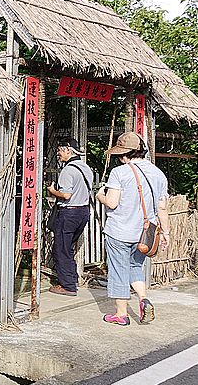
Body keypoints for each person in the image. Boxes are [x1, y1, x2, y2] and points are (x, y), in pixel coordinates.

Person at [96, 132, 170, 326]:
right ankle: (143, 298)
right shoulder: (158, 174)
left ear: (124, 154)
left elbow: (112, 203)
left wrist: (99, 196)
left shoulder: (119, 172)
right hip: (144, 234)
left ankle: (121, 314)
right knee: (135, 267)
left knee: (119, 271)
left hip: (119, 231)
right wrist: (166, 233)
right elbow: (162, 208)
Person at [47, 138, 94, 296]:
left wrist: (52, 191)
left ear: (68, 150)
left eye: (60, 150)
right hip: (83, 212)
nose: (58, 153)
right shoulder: (86, 168)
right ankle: (71, 279)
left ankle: (67, 286)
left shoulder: (68, 170)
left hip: (69, 213)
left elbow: (66, 195)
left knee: (61, 249)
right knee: (69, 247)